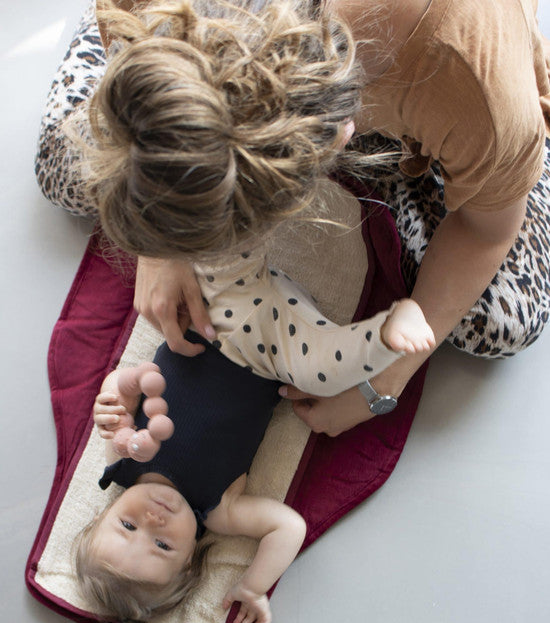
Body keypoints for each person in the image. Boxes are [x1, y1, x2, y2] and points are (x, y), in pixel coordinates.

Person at [35, 0, 550, 436]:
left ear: (338, 140)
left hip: (450, 99)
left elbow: (487, 233)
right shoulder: (147, 11)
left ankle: (485, 162)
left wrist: (386, 380)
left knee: (501, 322)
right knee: (64, 162)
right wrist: (160, 237)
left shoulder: (471, 77)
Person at [76, 333, 306, 623]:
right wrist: (254, 586)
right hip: (276, 349)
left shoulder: (124, 458)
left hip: (200, 322)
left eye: (128, 525)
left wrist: (109, 403)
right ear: (188, 561)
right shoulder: (218, 509)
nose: (152, 520)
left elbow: (125, 385)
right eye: (162, 545)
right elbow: (289, 527)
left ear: (101, 516)